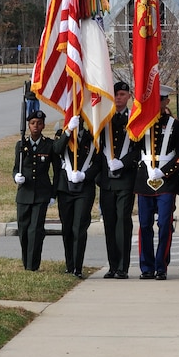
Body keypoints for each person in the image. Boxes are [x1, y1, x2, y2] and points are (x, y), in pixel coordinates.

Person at [135, 86, 179, 280]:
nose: (156, 104)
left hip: (166, 181)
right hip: (144, 179)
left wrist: (164, 172)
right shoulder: (141, 123)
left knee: (165, 223)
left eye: (160, 100)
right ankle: (146, 267)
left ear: (166, 102)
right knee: (144, 225)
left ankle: (161, 265)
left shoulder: (176, 125)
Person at [98, 81, 140, 279]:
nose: (118, 97)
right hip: (106, 180)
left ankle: (123, 267)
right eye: (116, 94)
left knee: (123, 222)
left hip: (125, 178)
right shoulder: (103, 118)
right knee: (109, 222)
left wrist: (123, 163)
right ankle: (112, 265)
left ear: (129, 96)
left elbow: (139, 149)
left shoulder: (135, 118)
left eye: (123, 94)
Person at [54, 114, 99, 278]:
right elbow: (57, 149)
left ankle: (77, 267)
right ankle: (69, 264)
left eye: (80, 118)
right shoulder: (62, 133)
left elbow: (98, 162)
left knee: (79, 227)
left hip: (84, 189)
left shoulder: (92, 137)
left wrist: (85, 176)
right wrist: (68, 131)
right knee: (67, 228)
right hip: (65, 188)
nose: (78, 121)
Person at [12, 110, 56, 271]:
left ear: (43, 125)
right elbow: (16, 167)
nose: (35, 126)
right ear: (28, 125)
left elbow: (55, 171)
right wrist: (16, 177)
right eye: (32, 123)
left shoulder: (49, 145)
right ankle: (26, 263)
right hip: (24, 194)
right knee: (23, 230)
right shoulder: (21, 145)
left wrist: (53, 194)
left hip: (41, 194)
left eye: (38, 123)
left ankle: (33, 265)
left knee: (35, 231)